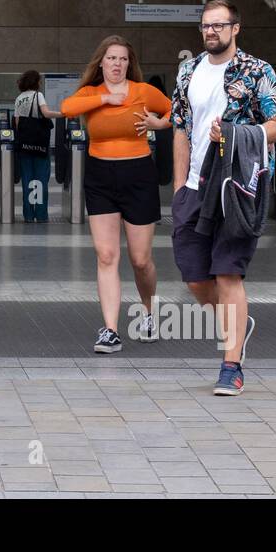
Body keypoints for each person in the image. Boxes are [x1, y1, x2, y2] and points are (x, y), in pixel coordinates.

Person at [169, 0, 276, 397]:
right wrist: (178, 188)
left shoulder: (258, 71)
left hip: (238, 184)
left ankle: (231, 365)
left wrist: (238, 134)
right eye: (206, 25)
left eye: (219, 25)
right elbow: (181, 129)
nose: (211, 32)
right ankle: (238, 325)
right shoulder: (188, 71)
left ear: (236, 28)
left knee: (228, 273)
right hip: (194, 186)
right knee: (195, 278)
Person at [59, 37, 171, 354]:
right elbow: (68, 108)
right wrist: (106, 99)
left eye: (122, 59)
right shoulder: (91, 94)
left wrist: (158, 124)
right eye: (111, 58)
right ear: (101, 63)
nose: (117, 64)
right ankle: (110, 330)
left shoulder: (143, 91)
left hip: (138, 176)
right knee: (106, 255)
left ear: (128, 64)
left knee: (140, 260)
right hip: (100, 177)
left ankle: (148, 312)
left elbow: (179, 110)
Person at [12, 70, 65, 222]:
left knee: (27, 179)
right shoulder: (37, 95)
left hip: (24, 145)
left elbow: (17, 123)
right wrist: (63, 113)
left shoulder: (19, 98)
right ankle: (41, 215)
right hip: (39, 145)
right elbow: (46, 114)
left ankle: (28, 215)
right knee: (41, 179)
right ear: (36, 82)